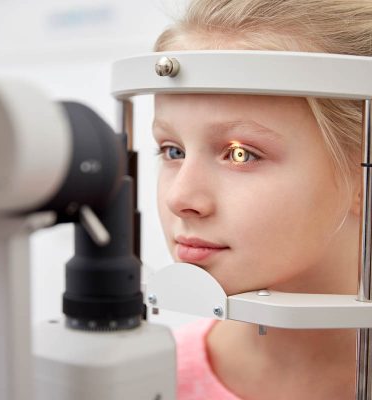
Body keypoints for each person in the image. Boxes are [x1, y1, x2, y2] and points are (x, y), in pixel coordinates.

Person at [151, 0, 368, 399]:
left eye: (240, 154)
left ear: (363, 173)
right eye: (173, 151)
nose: (181, 198)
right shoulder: (150, 383)